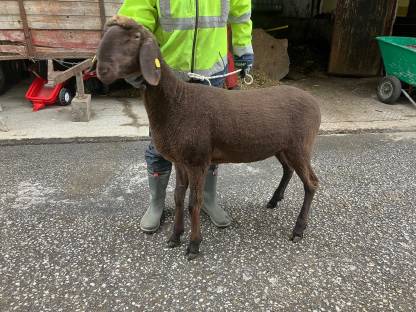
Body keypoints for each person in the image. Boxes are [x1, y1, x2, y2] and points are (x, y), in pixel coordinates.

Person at [118, 0, 254, 233]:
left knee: (209, 143)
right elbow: (134, 21)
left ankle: (208, 199)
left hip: (213, 72)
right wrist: (131, 61)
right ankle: (157, 203)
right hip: (168, 77)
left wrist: (243, 48)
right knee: (161, 143)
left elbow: (240, 11)